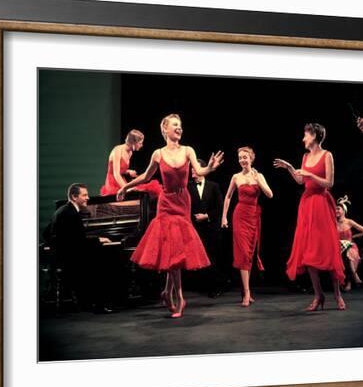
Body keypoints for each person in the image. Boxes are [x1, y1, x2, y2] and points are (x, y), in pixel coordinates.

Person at [117, 113, 224, 318]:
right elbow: (146, 176)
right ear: (165, 129)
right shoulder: (158, 154)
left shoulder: (188, 150)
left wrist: (210, 167)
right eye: (175, 125)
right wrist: (126, 187)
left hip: (182, 201)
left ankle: (167, 292)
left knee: (175, 249)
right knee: (171, 248)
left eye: (181, 125)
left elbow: (200, 169)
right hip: (166, 203)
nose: (179, 128)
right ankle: (179, 296)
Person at [273, 123, 346, 311]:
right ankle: (318, 295)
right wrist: (290, 167)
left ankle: (337, 295)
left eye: (305, 135)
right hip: (307, 205)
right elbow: (300, 180)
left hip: (322, 203)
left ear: (314, 135)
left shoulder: (327, 155)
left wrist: (310, 174)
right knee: (308, 251)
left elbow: (328, 183)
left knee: (328, 248)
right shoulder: (305, 156)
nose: (303, 138)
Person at [49, 183, 114, 313]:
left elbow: (47, 234)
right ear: (74, 197)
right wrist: (98, 240)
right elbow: (79, 241)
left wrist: (56, 246)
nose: (88, 198)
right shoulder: (71, 214)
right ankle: (99, 305)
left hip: (63, 256)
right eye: (84, 195)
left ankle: (88, 303)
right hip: (71, 259)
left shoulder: (61, 210)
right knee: (104, 265)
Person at [221, 147, 273, 307]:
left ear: (251, 158)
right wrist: (224, 216)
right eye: (240, 158)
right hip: (239, 216)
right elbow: (228, 196)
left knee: (249, 254)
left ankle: (245, 290)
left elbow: (270, 194)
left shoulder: (259, 176)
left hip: (253, 217)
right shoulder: (236, 177)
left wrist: (258, 181)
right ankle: (247, 293)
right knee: (243, 253)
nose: (242, 160)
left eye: (245, 157)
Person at [187, 159, 227, 298]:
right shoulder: (187, 187)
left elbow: (220, 206)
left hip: (211, 227)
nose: (192, 171)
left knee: (212, 257)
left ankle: (216, 287)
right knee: (197, 258)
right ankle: (200, 286)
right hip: (194, 228)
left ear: (203, 169)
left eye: (195, 168)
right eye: (191, 168)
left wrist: (207, 216)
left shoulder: (213, 186)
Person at [100, 129, 162, 197]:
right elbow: (116, 174)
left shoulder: (130, 152)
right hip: (113, 183)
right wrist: (126, 188)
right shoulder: (117, 150)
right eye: (140, 143)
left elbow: (121, 169)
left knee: (146, 191)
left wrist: (128, 171)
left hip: (122, 181)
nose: (142, 145)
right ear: (133, 142)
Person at [336, 195, 363, 291]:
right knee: (345, 254)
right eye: (335, 209)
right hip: (338, 247)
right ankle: (354, 278)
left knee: (349, 252)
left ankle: (351, 281)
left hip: (351, 246)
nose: (336, 211)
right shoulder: (333, 223)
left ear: (343, 210)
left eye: (338, 209)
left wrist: (352, 237)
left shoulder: (349, 222)